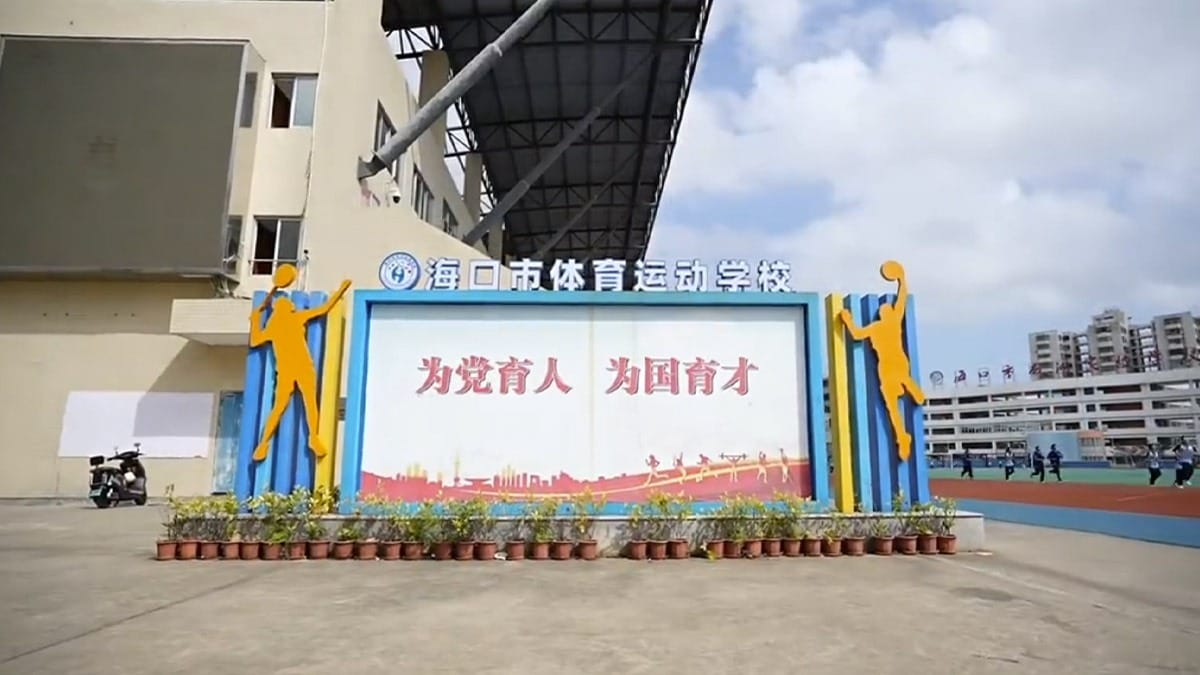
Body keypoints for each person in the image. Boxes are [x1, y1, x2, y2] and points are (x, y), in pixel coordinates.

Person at [250, 266, 351, 462]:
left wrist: (255, 321)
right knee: (308, 403)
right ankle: (308, 437)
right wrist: (340, 290)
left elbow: (255, 340)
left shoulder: (275, 326)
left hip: (290, 369)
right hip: (300, 367)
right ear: (287, 308)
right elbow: (323, 308)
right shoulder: (295, 319)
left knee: (283, 406)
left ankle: (265, 444)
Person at [838, 261, 926, 462]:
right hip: (891, 364)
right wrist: (901, 280)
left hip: (889, 364)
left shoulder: (881, 325)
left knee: (892, 403)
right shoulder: (890, 322)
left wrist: (847, 319)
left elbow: (857, 333)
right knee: (892, 402)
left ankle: (911, 397)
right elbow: (858, 334)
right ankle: (902, 433)